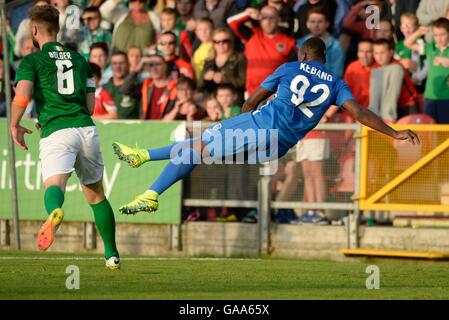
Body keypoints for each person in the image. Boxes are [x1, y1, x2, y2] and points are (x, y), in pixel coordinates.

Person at [111, 37, 420, 215]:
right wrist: (393, 132)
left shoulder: (289, 67)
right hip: (280, 144)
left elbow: (252, 100)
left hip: (258, 124)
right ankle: (144, 157)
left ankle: (151, 195)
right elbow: (360, 113)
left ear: (302, 55)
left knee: (199, 144)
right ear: (323, 58)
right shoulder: (337, 85)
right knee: (200, 142)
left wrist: (244, 119)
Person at [10, 5, 120, 269]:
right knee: (96, 196)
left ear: (34, 30)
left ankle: (54, 213)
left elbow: (23, 95)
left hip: (57, 132)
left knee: (54, 186)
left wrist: (14, 125)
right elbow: (91, 106)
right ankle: (111, 255)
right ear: (57, 29)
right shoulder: (81, 60)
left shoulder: (32, 61)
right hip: (85, 128)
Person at [405, 18, 449, 123]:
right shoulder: (430, 48)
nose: (439, 38)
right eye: (436, 35)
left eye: (442, 34)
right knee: (431, 131)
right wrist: (419, 32)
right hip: (429, 96)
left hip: (447, 98)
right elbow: (408, 44)